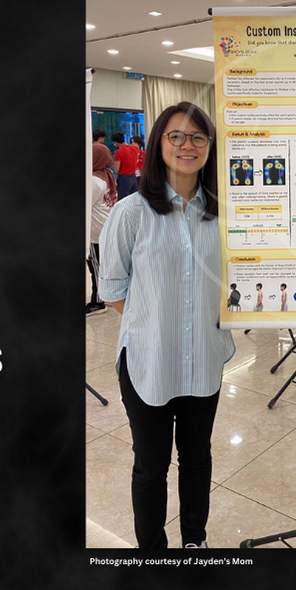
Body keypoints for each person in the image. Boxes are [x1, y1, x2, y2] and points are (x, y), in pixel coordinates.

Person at [98, 101, 235, 549]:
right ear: (158, 144)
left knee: (197, 459)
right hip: (147, 361)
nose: (186, 145)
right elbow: (113, 288)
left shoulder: (224, 213)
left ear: (210, 147)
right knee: (151, 466)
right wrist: (159, 323)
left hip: (205, 361)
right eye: (175, 136)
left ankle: (195, 542)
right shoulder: (132, 212)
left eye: (197, 137)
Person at [87, 144, 118, 314]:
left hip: (95, 232)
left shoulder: (94, 180)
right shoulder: (108, 175)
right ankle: (109, 295)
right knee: (105, 265)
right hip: (107, 227)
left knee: (96, 266)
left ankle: (98, 302)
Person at [115, 135, 142, 200]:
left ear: (116, 142)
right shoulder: (135, 150)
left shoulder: (118, 152)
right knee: (134, 200)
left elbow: (116, 168)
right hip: (133, 177)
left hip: (124, 178)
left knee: (123, 200)